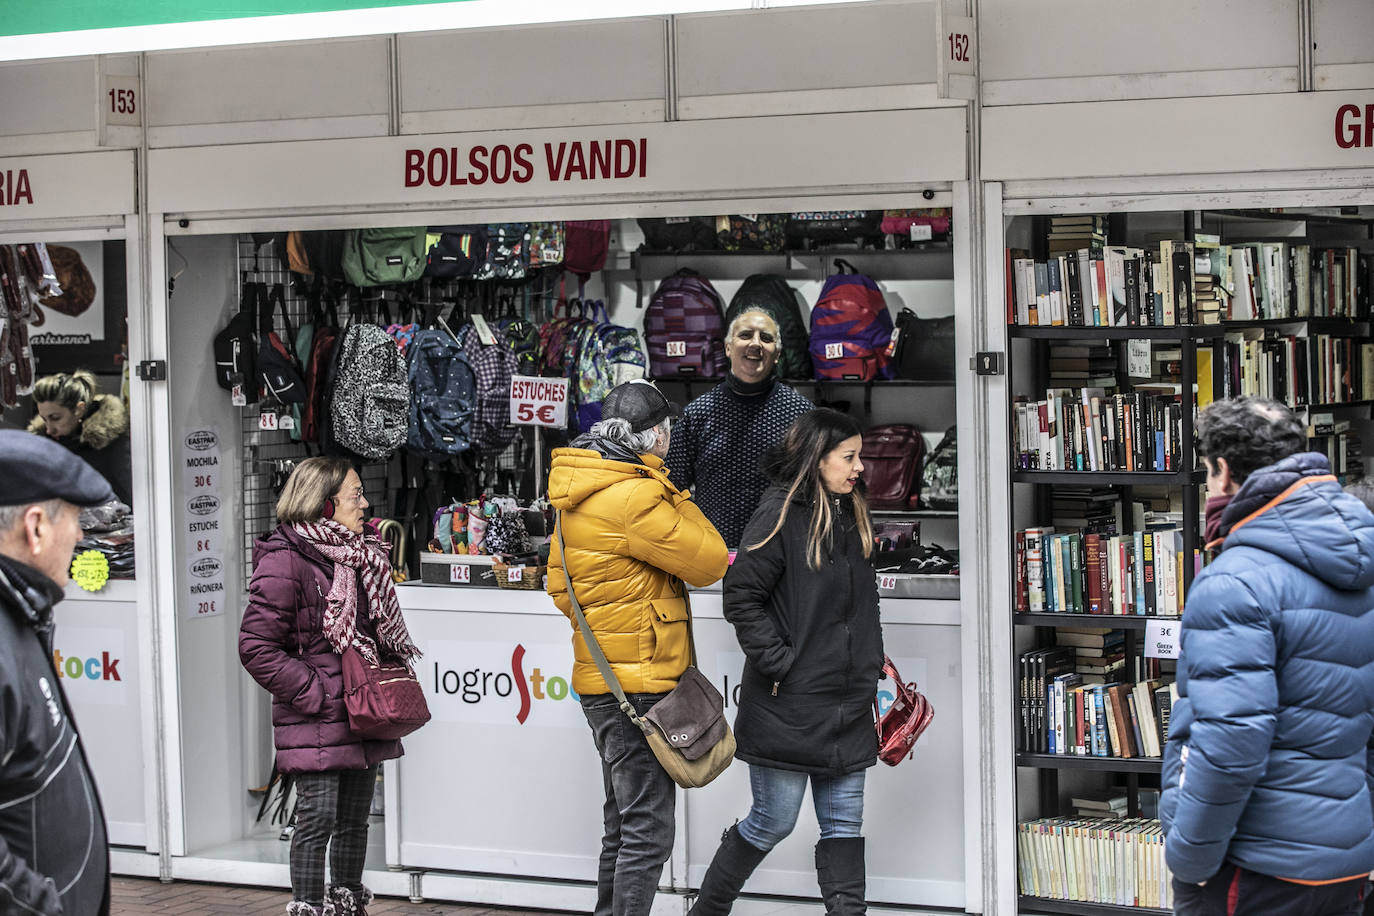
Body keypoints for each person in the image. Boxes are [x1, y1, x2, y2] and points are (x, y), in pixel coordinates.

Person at [1161, 396, 1374, 916]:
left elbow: (1231, 741)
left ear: (1225, 472)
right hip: (1345, 860)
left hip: (1255, 863)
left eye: (1209, 475)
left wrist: (1188, 858)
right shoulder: (1360, 554)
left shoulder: (1234, 582)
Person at [546, 379, 729, 916]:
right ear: (654, 436)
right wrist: (681, 496)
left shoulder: (575, 492)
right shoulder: (638, 495)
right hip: (643, 683)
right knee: (648, 830)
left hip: (603, 683)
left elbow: (560, 588)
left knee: (622, 824)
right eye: (668, 432)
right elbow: (710, 561)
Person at [693, 408, 882, 916]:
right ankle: (706, 912)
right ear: (817, 459)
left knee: (845, 827)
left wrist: (869, 661)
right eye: (849, 457)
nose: (860, 467)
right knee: (771, 821)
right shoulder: (779, 513)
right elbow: (741, 595)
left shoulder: (850, 512)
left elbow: (857, 605)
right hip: (789, 705)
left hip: (847, 704)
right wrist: (782, 663)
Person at [239, 457, 420, 916]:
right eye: (355, 495)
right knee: (317, 818)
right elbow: (256, 646)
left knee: (353, 821)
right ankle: (308, 905)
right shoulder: (285, 559)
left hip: (362, 708)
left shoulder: (364, 554)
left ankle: (346, 903)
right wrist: (314, 692)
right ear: (324, 505)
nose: (365, 503)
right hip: (319, 712)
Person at [0, 429, 115, 916]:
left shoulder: (18, 615)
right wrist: (39, 905)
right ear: (36, 527)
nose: (81, 535)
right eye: (72, 519)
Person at [665, 308, 812, 547]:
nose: (756, 344)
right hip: (714, 556)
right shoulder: (697, 414)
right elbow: (671, 488)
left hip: (784, 554)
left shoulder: (801, 414)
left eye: (766, 338)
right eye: (745, 335)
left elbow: (817, 488)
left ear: (777, 354)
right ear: (728, 348)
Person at [29, 369, 134, 507]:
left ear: (79, 409)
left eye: (55, 418)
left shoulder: (114, 444)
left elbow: (137, 497)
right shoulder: (44, 444)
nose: (49, 429)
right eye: (44, 419)